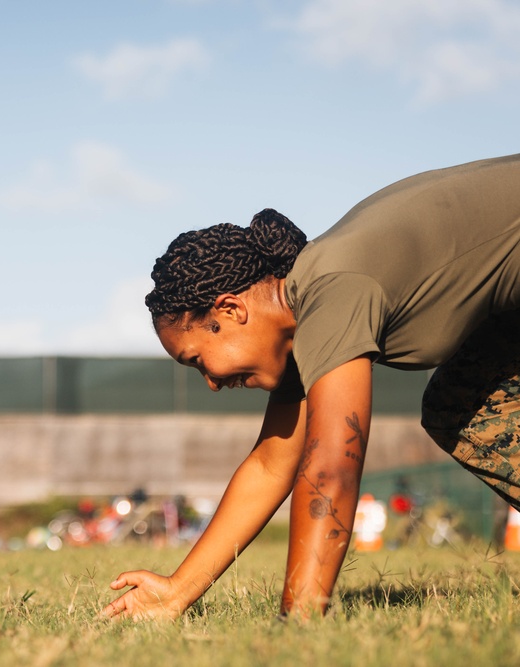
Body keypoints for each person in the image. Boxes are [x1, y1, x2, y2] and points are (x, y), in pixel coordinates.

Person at [103, 153, 520, 620]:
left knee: (461, 404)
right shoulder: (306, 319)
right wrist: (177, 591)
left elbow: (330, 472)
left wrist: (297, 622)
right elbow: (271, 465)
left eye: (198, 360)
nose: (212, 384)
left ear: (229, 311)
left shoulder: (332, 291)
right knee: (461, 404)